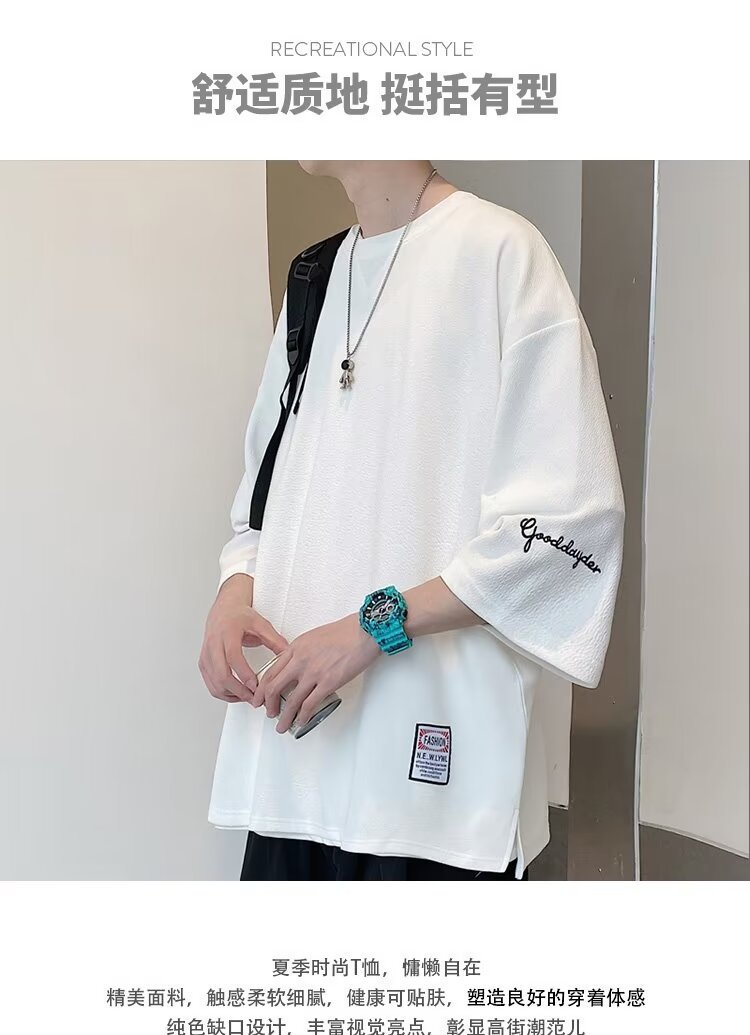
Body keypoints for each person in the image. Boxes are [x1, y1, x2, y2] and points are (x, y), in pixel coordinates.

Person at [199, 160, 626, 881]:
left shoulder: (500, 253)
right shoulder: (313, 278)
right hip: (293, 766)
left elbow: (567, 529)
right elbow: (263, 499)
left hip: (434, 790)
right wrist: (233, 592)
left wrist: (374, 626)